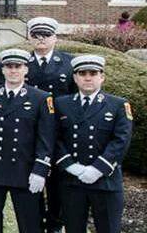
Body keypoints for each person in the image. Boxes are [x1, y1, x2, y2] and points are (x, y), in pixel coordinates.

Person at [0, 49, 56, 233]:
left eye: (18, 67)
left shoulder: (41, 98)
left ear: (26, 70)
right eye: (9, 66)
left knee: (31, 223)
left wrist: (40, 170)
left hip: (26, 171)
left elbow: (46, 138)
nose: (13, 71)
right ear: (2, 70)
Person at [53, 55, 133, 233]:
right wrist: (70, 166)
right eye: (82, 73)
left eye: (93, 73)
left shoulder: (118, 104)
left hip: (106, 181)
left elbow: (121, 140)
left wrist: (98, 169)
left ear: (102, 77)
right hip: (72, 181)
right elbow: (54, 138)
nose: (88, 77)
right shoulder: (61, 104)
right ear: (75, 77)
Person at [22, 17, 74, 233]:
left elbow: (73, 99)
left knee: (58, 185)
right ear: (30, 38)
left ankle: (55, 224)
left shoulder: (69, 63)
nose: (41, 39)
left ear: (55, 37)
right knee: (30, 182)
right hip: (27, 133)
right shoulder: (21, 63)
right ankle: (35, 224)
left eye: (46, 35)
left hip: (59, 133)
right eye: (36, 35)